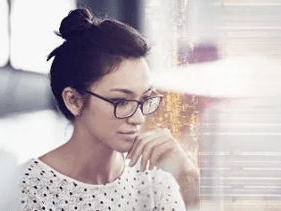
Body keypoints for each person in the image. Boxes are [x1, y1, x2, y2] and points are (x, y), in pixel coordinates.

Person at [19, 8, 200, 211]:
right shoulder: (25, 189)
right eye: (121, 101)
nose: (139, 119)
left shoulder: (152, 176)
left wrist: (188, 177)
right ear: (74, 101)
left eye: (145, 98)